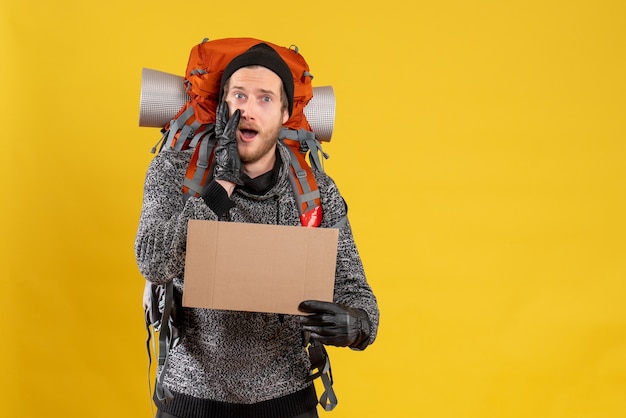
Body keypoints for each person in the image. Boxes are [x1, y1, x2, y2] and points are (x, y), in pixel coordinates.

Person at [135, 42, 379, 418]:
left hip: (288, 399)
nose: (248, 109)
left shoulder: (314, 193)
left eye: (265, 99)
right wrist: (221, 187)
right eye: (239, 96)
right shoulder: (174, 171)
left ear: (285, 113)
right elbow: (153, 261)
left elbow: (356, 290)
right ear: (222, 107)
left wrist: (358, 323)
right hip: (189, 398)